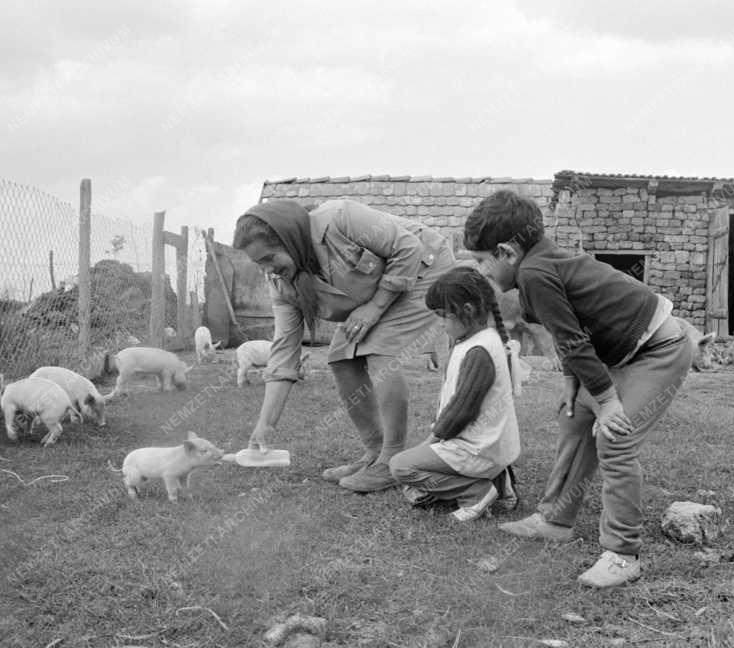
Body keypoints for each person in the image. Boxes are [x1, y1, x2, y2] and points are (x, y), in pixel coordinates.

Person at [464, 189, 691, 588]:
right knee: (574, 416)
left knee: (614, 435)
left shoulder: (534, 275)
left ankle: (622, 554)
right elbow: (568, 328)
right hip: (622, 353)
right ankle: (555, 520)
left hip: (659, 349)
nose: (481, 271)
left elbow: (573, 340)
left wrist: (606, 402)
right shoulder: (537, 265)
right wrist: (574, 383)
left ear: (506, 252)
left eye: (482, 261)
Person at [233, 198, 455, 493]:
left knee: (378, 347)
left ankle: (392, 460)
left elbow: (408, 249)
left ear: (288, 237)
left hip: (425, 268)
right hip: (381, 288)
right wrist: (265, 426)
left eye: (271, 257)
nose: (268, 270)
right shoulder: (282, 286)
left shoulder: (339, 218)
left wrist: (375, 308)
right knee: (341, 357)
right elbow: (284, 351)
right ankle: (375, 452)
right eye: (259, 264)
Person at [388, 266, 521, 521]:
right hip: (483, 446)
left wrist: (432, 440)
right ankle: (498, 481)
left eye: (443, 316)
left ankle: (476, 491)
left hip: (477, 449)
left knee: (401, 466)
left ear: (467, 312)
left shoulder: (478, 351)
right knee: (416, 478)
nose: (441, 323)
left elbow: (461, 410)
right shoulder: (479, 339)